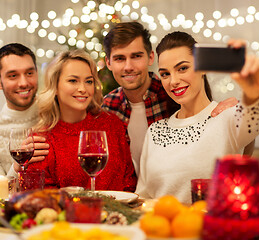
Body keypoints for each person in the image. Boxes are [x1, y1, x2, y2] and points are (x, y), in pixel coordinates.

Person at [102, 21, 251, 174]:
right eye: (119, 58)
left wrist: (241, 114)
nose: (128, 66)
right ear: (108, 62)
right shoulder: (107, 106)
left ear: (150, 57)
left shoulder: (172, 93)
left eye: (136, 56)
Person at [135, 31, 259, 203]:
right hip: (160, 226)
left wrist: (253, 93)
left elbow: (255, 121)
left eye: (182, 68)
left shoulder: (227, 116)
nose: (173, 81)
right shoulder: (155, 131)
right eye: (165, 74)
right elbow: (143, 196)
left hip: (210, 227)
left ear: (202, 68)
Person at [26, 49, 136, 191]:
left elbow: (129, 182)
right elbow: (41, 200)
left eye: (88, 81)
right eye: (73, 81)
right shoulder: (41, 140)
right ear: (55, 87)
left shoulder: (112, 124)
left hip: (119, 212)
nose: (83, 89)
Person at [0, 43, 49, 179]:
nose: (23, 83)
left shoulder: (55, 113)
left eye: (29, 73)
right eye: (13, 76)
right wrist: (18, 165)